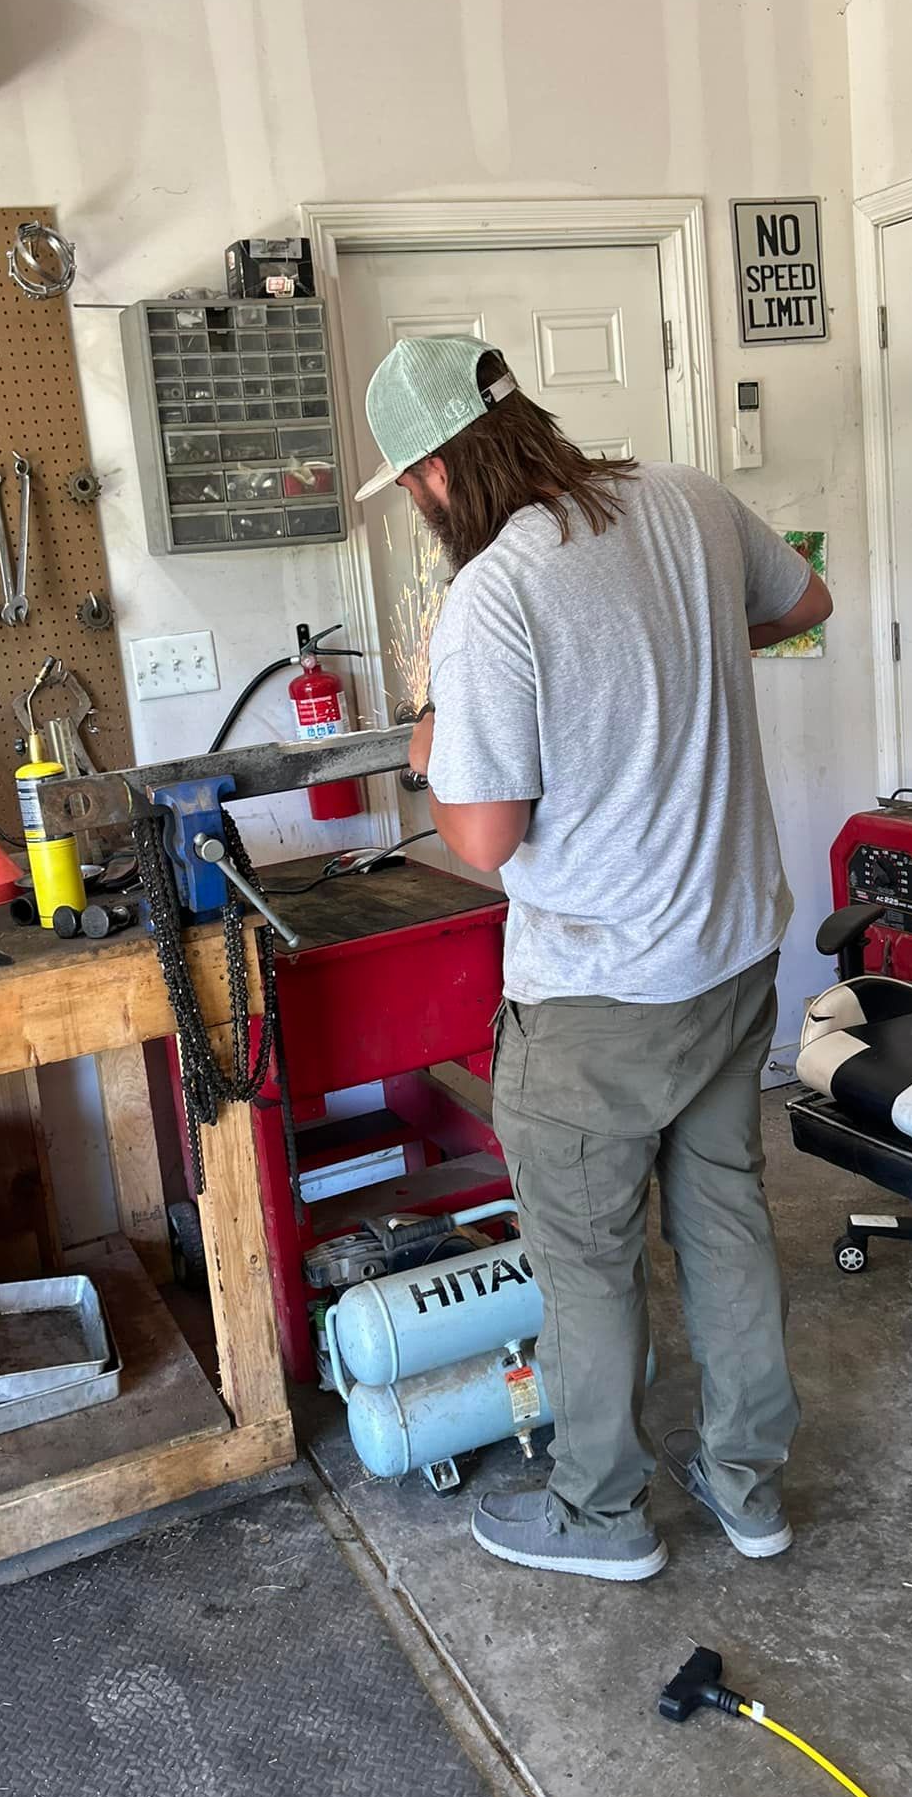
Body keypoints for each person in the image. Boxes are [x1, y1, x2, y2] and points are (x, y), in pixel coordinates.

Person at [352, 335, 832, 1582]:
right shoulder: (689, 499)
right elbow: (804, 604)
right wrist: (675, 676)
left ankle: (600, 1510)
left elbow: (487, 833)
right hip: (730, 959)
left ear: (439, 473)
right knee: (723, 1215)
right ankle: (748, 1485)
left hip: (601, 993)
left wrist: (431, 748)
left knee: (586, 1260)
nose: (416, 511)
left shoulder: (495, 597)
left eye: (408, 490)